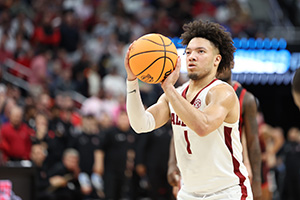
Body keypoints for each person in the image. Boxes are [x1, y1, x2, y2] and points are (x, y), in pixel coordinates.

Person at [125, 19, 253, 199]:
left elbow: (203, 126)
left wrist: (168, 89)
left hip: (226, 191)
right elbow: (141, 124)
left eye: (201, 52)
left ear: (217, 59)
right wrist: (131, 80)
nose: (192, 56)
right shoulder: (174, 95)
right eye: (188, 52)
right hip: (189, 192)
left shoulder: (222, 92)